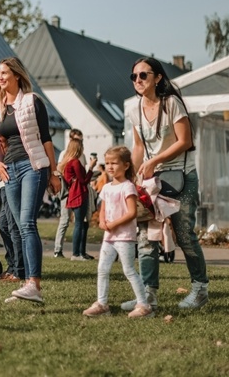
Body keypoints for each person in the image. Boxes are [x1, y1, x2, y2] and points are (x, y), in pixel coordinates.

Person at [124, 56, 208, 310]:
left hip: (182, 177)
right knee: (146, 237)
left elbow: (184, 141)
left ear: (157, 78)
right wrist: (132, 174)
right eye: (134, 76)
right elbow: (139, 147)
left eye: (143, 75)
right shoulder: (133, 109)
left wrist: (154, 161)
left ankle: (200, 290)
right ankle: (148, 296)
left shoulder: (171, 103)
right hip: (153, 180)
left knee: (184, 234)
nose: (138, 80)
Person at [0, 57, 60, 303]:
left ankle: (33, 283)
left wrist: (54, 172)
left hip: (32, 166)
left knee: (27, 223)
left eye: (5, 72)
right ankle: (25, 280)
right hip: (10, 171)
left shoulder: (32, 101)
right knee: (16, 225)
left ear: (17, 75)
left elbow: (47, 138)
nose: (1, 77)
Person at [82, 146, 152, 318]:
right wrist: (102, 221)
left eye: (114, 163)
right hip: (109, 238)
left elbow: (131, 212)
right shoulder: (106, 188)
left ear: (126, 165)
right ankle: (102, 304)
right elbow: (103, 209)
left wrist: (114, 224)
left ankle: (144, 305)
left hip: (124, 237)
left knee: (128, 270)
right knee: (102, 268)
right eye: (107, 163)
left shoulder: (128, 187)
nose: (110, 167)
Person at [54, 128, 93, 258]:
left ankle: (80, 252)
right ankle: (72, 252)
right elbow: (83, 179)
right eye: (80, 141)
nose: (82, 144)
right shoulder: (73, 160)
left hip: (73, 192)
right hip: (77, 193)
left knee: (79, 223)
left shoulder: (70, 160)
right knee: (75, 223)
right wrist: (92, 169)